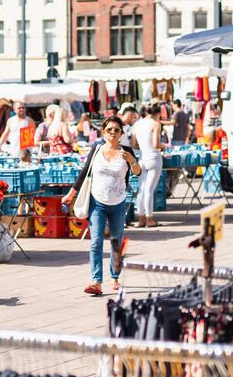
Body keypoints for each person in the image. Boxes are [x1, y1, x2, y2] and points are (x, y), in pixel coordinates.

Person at [63, 114, 140, 296]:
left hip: (118, 202)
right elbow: (84, 172)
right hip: (97, 202)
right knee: (96, 241)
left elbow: (137, 172)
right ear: (103, 132)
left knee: (116, 242)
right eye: (109, 129)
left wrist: (131, 160)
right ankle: (96, 281)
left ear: (121, 133)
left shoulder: (127, 150)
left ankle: (115, 279)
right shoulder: (96, 149)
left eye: (117, 130)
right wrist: (70, 194)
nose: (113, 132)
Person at [131, 100, 165, 228]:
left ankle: (140, 219)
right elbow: (156, 144)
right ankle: (149, 219)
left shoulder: (137, 125)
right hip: (154, 158)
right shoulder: (155, 124)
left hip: (142, 159)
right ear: (157, 114)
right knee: (149, 190)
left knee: (141, 190)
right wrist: (164, 146)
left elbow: (133, 145)